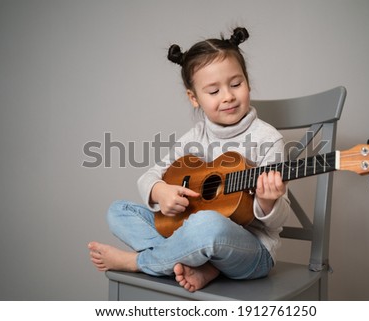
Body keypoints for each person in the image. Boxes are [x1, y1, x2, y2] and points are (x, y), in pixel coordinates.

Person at [89, 27, 292, 292]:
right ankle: (200, 265)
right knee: (118, 211)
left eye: (236, 84)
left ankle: (141, 262)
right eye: (213, 91)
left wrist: (267, 200)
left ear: (248, 82)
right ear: (194, 98)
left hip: (251, 252)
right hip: (197, 238)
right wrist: (159, 190)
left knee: (205, 223)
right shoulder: (195, 137)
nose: (228, 96)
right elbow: (149, 177)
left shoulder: (267, 138)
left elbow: (276, 224)